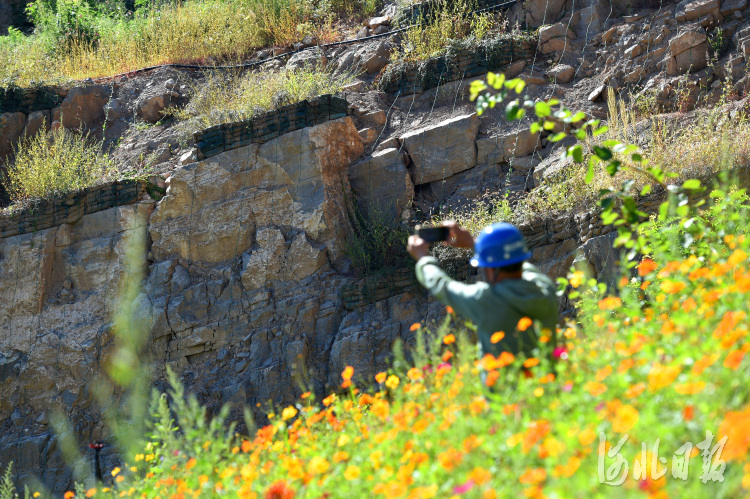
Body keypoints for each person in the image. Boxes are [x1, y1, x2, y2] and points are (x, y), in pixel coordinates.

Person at [407, 221, 559, 360]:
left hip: (509, 389)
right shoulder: (544, 286)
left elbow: (442, 286)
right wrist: (474, 244)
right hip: (550, 385)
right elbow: (522, 267)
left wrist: (422, 258)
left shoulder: (487, 300)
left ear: (490, 269)